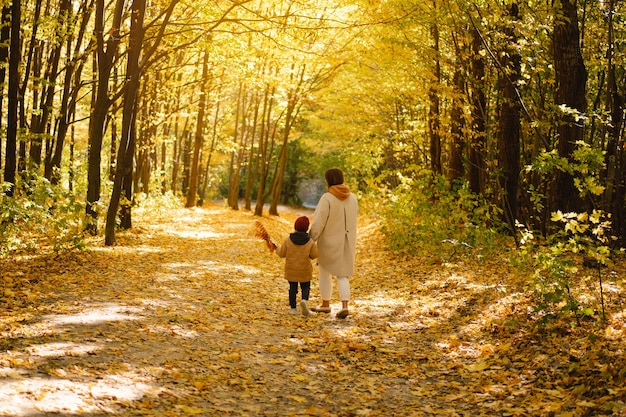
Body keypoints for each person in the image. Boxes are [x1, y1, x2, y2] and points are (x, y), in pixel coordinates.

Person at [309, 168, 358, 319]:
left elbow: (319, 222)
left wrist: (311, 239)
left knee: (324, 271)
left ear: (328, 180)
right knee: (342, 274)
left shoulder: (327, 198)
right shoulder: (353, 198)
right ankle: (344, 306)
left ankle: (325, 304)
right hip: (347, 241)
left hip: (329, 241)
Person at [275, 216, 318, 317]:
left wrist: (276, 248)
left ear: (295, 226)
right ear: (307, 228)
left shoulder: (288, 240)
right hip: (304, 270)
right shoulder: (310, 242)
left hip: (291, 270)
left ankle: (293, 308)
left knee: (292, 288)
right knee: (305, 287)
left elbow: (281, 254)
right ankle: (304, 301)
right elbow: (314, 255)